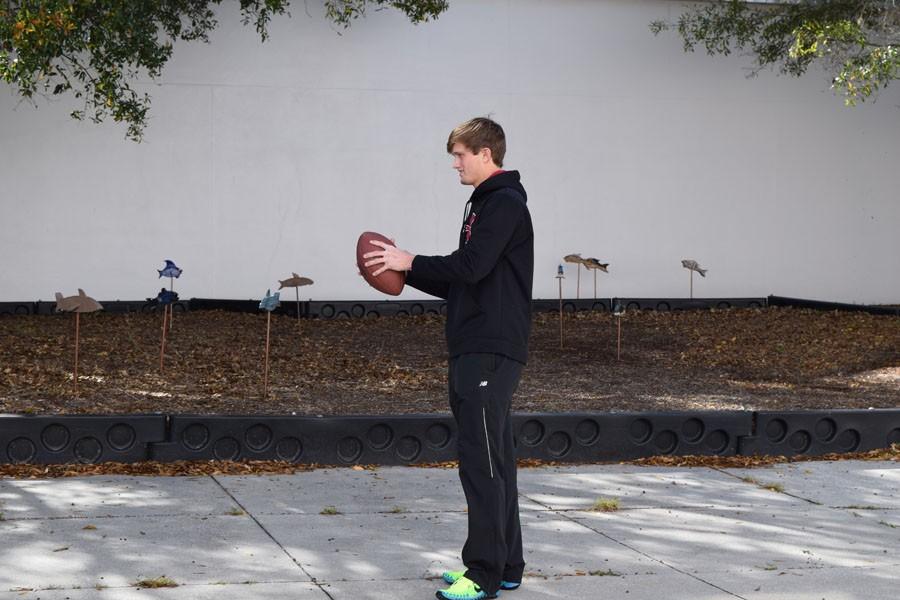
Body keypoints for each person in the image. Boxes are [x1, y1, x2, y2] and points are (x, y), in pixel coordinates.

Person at [363, 117, 534, 600]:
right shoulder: (484, 204)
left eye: (460, 154)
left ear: (485, 153)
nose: (455, 163)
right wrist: (404, 269)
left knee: (481, 463)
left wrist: (410, 261)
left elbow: (472, 266)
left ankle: (481, 574)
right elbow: (465, 277)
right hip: (478, 347)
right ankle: (505, 566)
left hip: (489, 351)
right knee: (496, 460)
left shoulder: (502, 203)